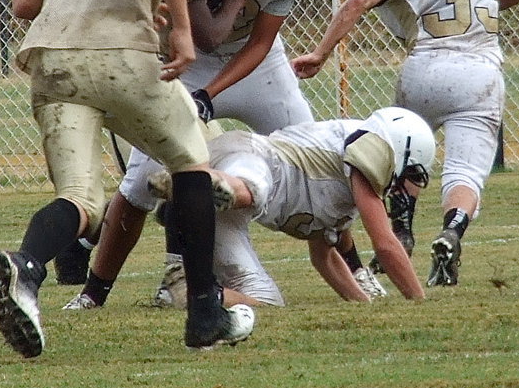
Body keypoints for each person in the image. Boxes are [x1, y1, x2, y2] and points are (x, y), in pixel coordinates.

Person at [0, 0, 254, 357]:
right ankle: (205, 311)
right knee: (192, 165)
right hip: (122, 55)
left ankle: (26, 268)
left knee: (81, 199)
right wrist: (179, 27)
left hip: (51, 59)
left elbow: (25, 2)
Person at [57, 0, 351, 310]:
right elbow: (203, 34)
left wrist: (209, 95)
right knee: (138, 183)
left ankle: (357, 269)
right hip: (185, 60)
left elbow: (262, 41)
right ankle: (94, 293)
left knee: (316, 158)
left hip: (256, 65)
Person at [292, 0, 519, 287]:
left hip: (423, 67)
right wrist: (482, 3)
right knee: (464, 172)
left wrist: (321, 52)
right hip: (479, 70)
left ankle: (401, 228)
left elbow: (359, 0)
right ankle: (452, 231)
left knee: (407, 153)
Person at [147, 106, 435, 301]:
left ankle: (188, 292)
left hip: (235, 207)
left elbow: (324, 257)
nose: (406, 187)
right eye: (410, 173)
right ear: (399, 147)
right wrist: (418, 300)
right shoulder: (367, 147)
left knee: (265, 299)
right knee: (255, 187)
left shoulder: (343, 191)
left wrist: (361, 301)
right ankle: (195, 182)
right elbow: (384, 244)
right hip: (254, 156)